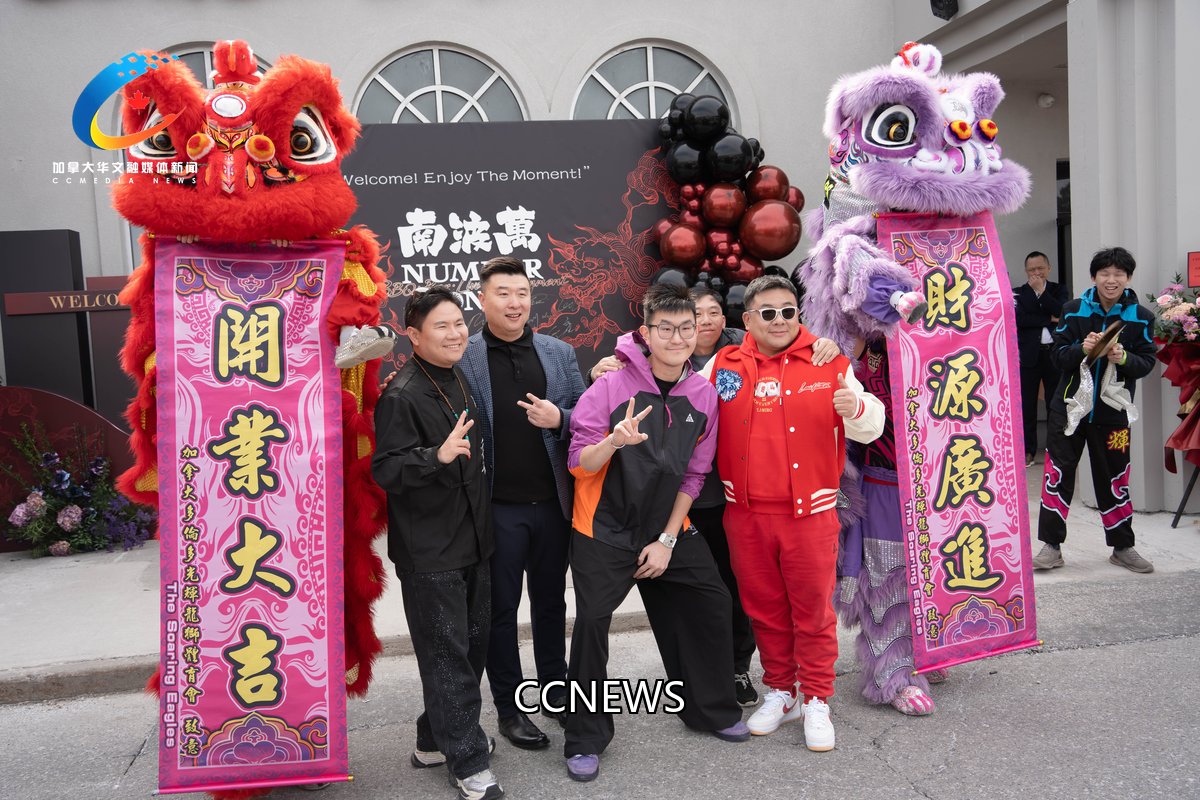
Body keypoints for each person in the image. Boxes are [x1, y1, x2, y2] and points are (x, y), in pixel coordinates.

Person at [563, 283, 750, 783]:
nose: (677, 338)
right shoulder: (610, 387)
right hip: (603, 527)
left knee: (712, 600)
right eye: (665, 329)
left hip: (666, 527)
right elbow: (579, 463)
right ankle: (584, 737)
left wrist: (667, 541)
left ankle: (709, 709)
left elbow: (695, 475)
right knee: (592, 624)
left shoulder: (703, 394)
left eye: (686, 328)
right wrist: (612, 441)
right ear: (645, 333)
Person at [700, 275, 884, 751]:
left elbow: (871, 426)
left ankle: (817, 697)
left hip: (810, 515)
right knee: (764, 609)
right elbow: (682, 400)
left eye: (788, 311)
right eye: (768, 313)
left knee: (812, 611)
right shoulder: (724, 363)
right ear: (747, 320)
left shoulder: (827, 361)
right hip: (745, 515)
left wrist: (855, 407)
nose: (779, 320)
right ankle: (782, 691)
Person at [372, 287, 502, 800]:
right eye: (441, 326)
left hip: (472, 539)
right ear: (414, 335)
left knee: (470, 650)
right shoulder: (401, 395)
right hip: (430, 551)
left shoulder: (456, 373)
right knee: (448, 656)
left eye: (458, 323)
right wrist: (435, 456)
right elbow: (386, 469)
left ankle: (433, 739)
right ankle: (468, 762)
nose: (455, 334)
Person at [457, 256, 587, 750]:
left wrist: (560, 419)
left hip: (553, 505)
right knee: (500, 613)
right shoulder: (464, 355)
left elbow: (587, 418)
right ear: (482, 299)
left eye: (522, 293)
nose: (515, 303)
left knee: (552, 604)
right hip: (497, 508)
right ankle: (511, 711)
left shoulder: (558, 352)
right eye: (503, 293)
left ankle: (557, 694)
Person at [1034, 246, 1157, 574]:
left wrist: (1123, 357)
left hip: (1113, 414)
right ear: (1093, 277)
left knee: (1115, 477)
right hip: (1068, 411)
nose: (1111, 279)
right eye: (1105, 273)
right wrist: (1081, 349)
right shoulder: (1073, 311)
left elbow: (1146, 362)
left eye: (1119, 274)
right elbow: (1057, 357)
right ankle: (1051, 547)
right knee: (1058, 475)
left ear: (1128, 278)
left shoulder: (1141, 317)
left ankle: (1122, 547)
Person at [685, 286, 757, 706]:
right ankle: (700, 671)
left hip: (732, 497)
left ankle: (738, 667)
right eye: (698, 314)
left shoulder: (744, 351)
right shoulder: (665, 356)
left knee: (735, 587)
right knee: (698, 592)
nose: (707, 321)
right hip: (686, 502)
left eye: (714, 312)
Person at [1015, 251, 1070, 467]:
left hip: (1054, 354)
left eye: (1040, 268)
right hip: (1029, 355)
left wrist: (1041, 292)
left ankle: (1054, 450)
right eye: (1032, 270)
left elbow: (1062, 313)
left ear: (1049, 268)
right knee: (1027, 405)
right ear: (1026, 271)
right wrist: (1048, 318)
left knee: (1055, 403)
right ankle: (1028, 451)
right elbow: (1020, 319)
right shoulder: (1019, 293)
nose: (1036, 273)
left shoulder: (1059, 290)